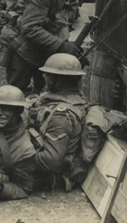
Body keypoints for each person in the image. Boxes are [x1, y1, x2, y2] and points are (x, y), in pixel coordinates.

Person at [0, 0, 121, 94]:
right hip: (21, 45)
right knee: (15, 94)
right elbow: (30, 28)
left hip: (39, 42)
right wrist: (61, 46)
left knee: (43, 89)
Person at [28, 54, 89, 190]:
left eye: (48, 74)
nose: (43, 76)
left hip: (50, 175)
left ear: (58, 81)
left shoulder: (62, 116)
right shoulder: (73, 98)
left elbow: (48, 162)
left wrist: (12, 155)